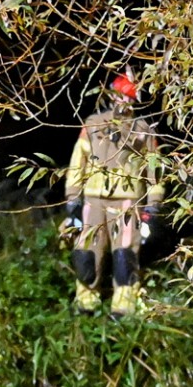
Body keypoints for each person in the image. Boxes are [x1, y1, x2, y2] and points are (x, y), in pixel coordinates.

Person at [64, 70, 164, 317]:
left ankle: (123, 307)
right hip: (94, 200)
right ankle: (86, 302)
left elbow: (154, 169)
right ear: (111, 96)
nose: (125, 102)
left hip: (127, 203)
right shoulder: (93, 124)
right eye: (121, 96)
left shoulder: (144, 131)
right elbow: (79, 162)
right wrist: (73, 198)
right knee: (87, 253)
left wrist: (153, 202)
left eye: (130, 97)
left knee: (124, 255)